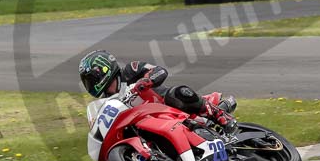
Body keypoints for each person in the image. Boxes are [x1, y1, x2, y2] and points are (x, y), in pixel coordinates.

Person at [78, 49, 237, 134]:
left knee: (178, 92)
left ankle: (218, 114)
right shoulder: (106, 104)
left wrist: (145, 82)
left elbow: (160, 71)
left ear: (103, 70)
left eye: (91, 79)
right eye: (87, 82)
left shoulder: (130, 70)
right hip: (151, 125)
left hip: (171, 107)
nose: (90, 85)